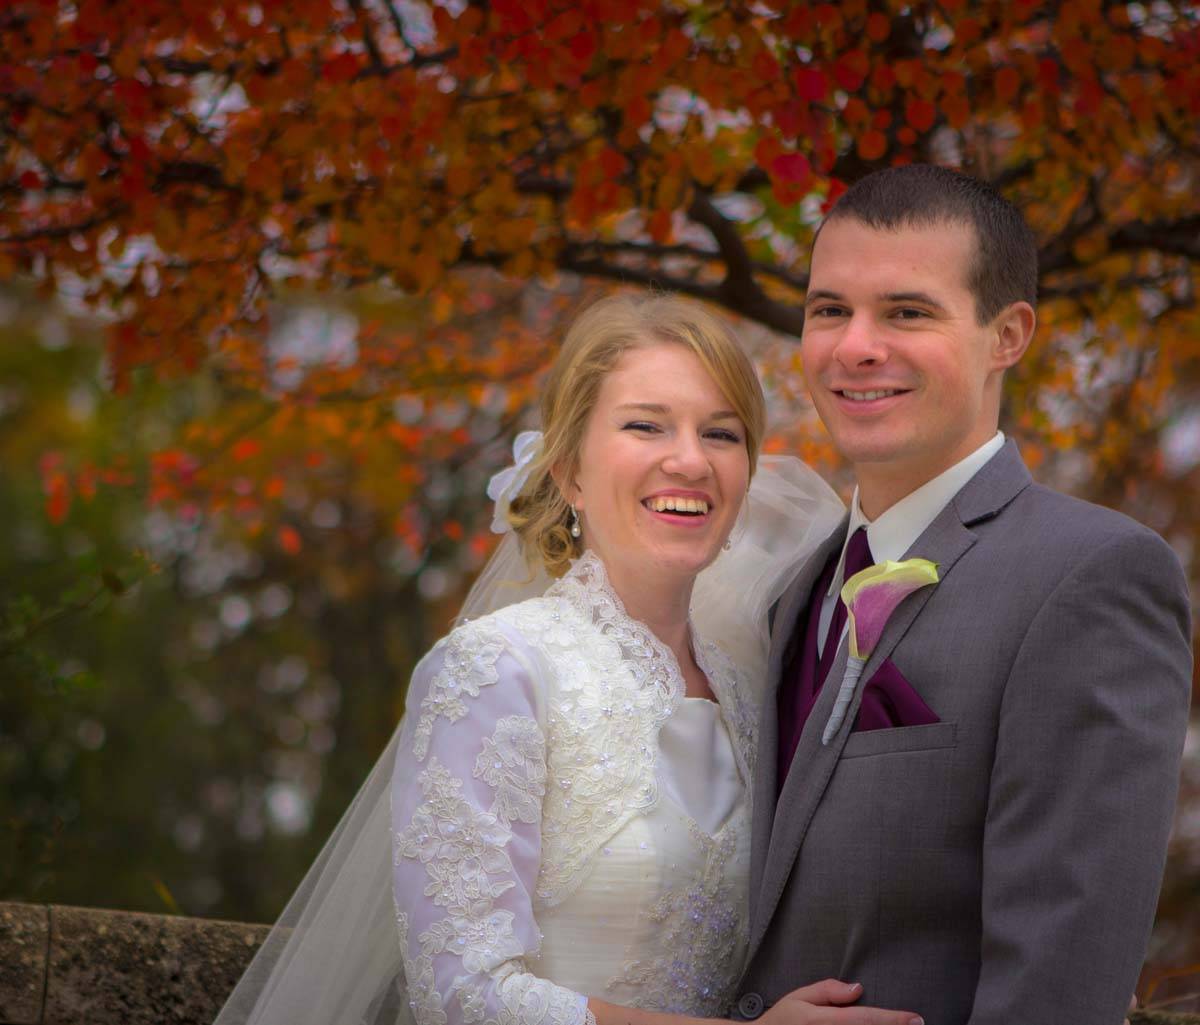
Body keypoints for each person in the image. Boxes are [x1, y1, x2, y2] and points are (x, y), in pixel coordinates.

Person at [214, 294, 922, 1025]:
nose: (689, 459)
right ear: (569, 470)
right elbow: (462, 994)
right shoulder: (497, 669)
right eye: (645, 424)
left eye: (721, 432)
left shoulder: (753, 688)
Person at [732, 165, 1193, 1025]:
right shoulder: (793, 592)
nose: (854, 346)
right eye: (829, 309)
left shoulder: (1092, 574)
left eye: (907, 312)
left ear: (1007, 334)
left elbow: (1060, 977)